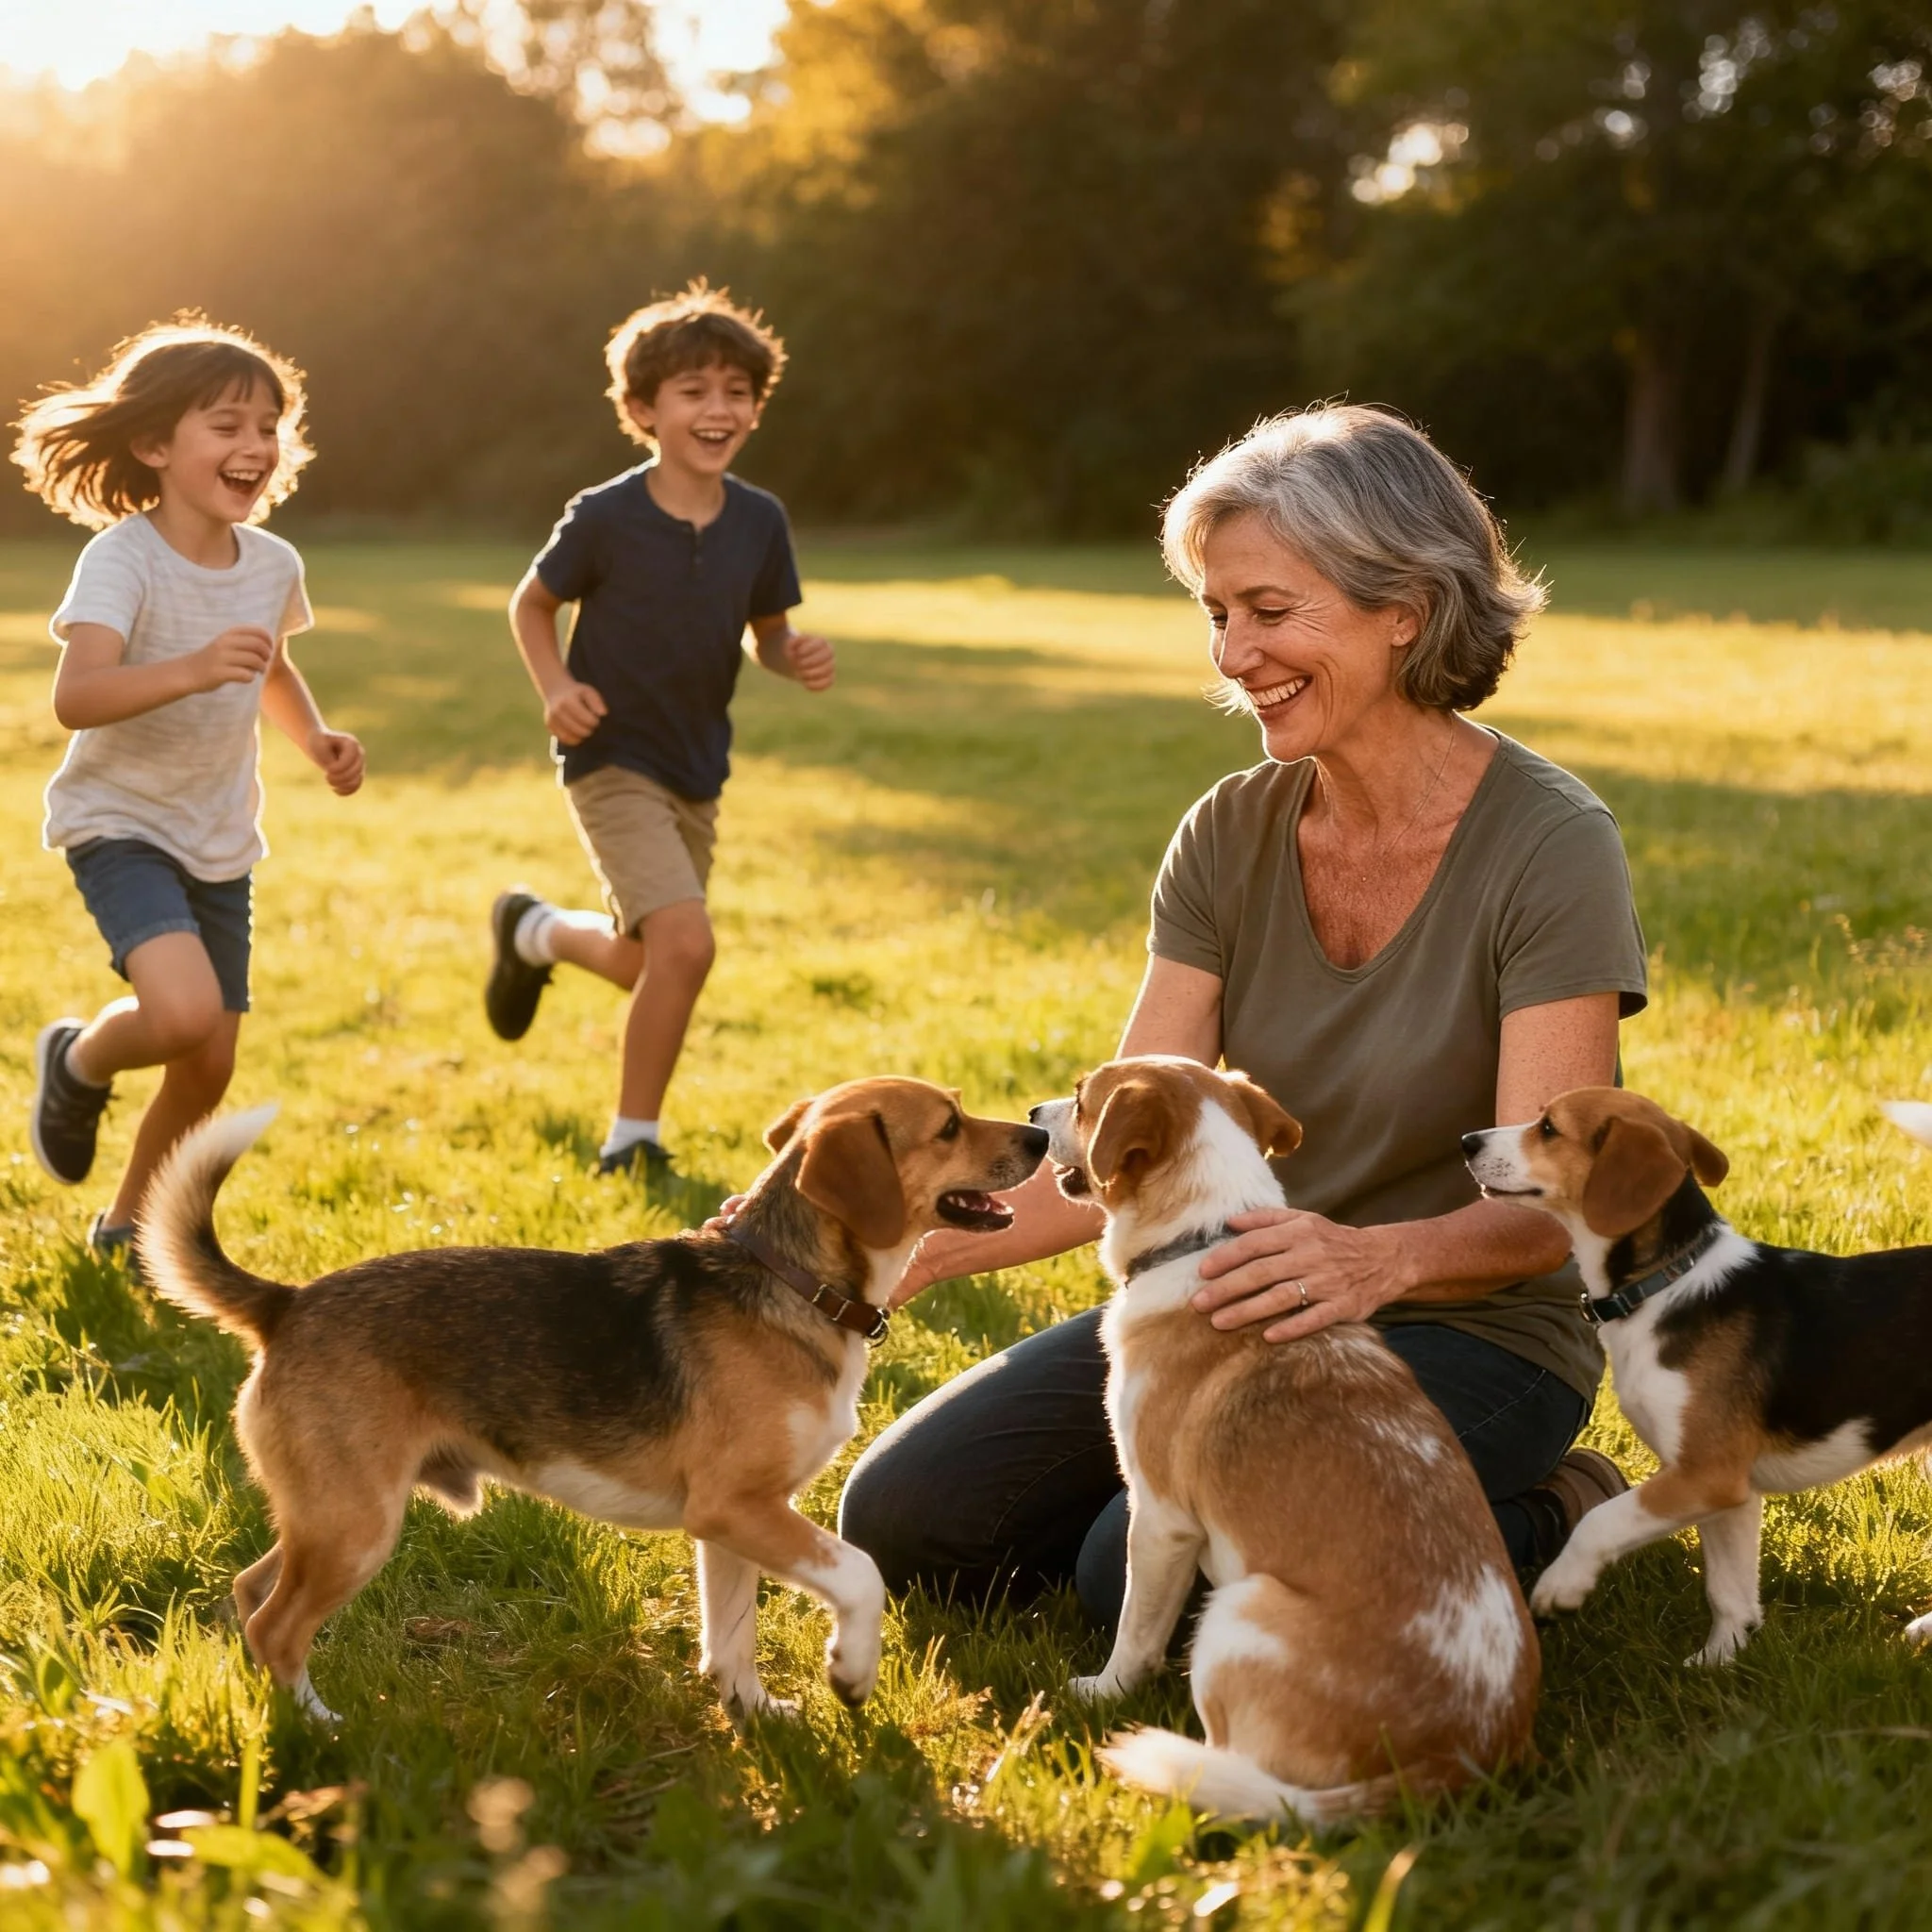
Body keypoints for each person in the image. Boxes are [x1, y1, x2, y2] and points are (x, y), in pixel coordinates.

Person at [839, 405, 1649, 1623]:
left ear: (1405, 609)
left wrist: (1371, 1258)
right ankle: (1298, 1529)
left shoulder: (1551, 843)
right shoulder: (1229, 830)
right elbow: (1112, 1151)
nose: (1230, 654)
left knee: (1158, 1578)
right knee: (907, 1518)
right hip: (1232, 1297)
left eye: (1270, 611)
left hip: (1475, 1329)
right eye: (1218, 614)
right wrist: (874, 1254)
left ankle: (1555, 1506)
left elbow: (1553, 1202)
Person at [17, 319, 364, 1255]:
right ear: (154, 444)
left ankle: (127, 1227)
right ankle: (78, 1060)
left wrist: (317, 738)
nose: (254, 446)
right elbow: (78, 695)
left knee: (206, 1061)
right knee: (179, 1014)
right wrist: (193, 665)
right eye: (227, 424)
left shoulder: (273, 564)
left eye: (268, 426)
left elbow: (270, 667)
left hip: (220, 831)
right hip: (120, 822)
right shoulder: (123, 558)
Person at [486, 282, 834, 1177]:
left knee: (652, 964)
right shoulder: (606, 514)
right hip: (609, 756)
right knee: (687, 946)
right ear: (643, 410)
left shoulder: (760, 520)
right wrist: (557, 686)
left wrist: (795, 656)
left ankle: (536, 934)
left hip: (695, 765)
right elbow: (531, 605)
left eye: (736, 391)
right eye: (694, 391)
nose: (719, 409)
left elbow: (768, 635)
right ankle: (632, 1142)